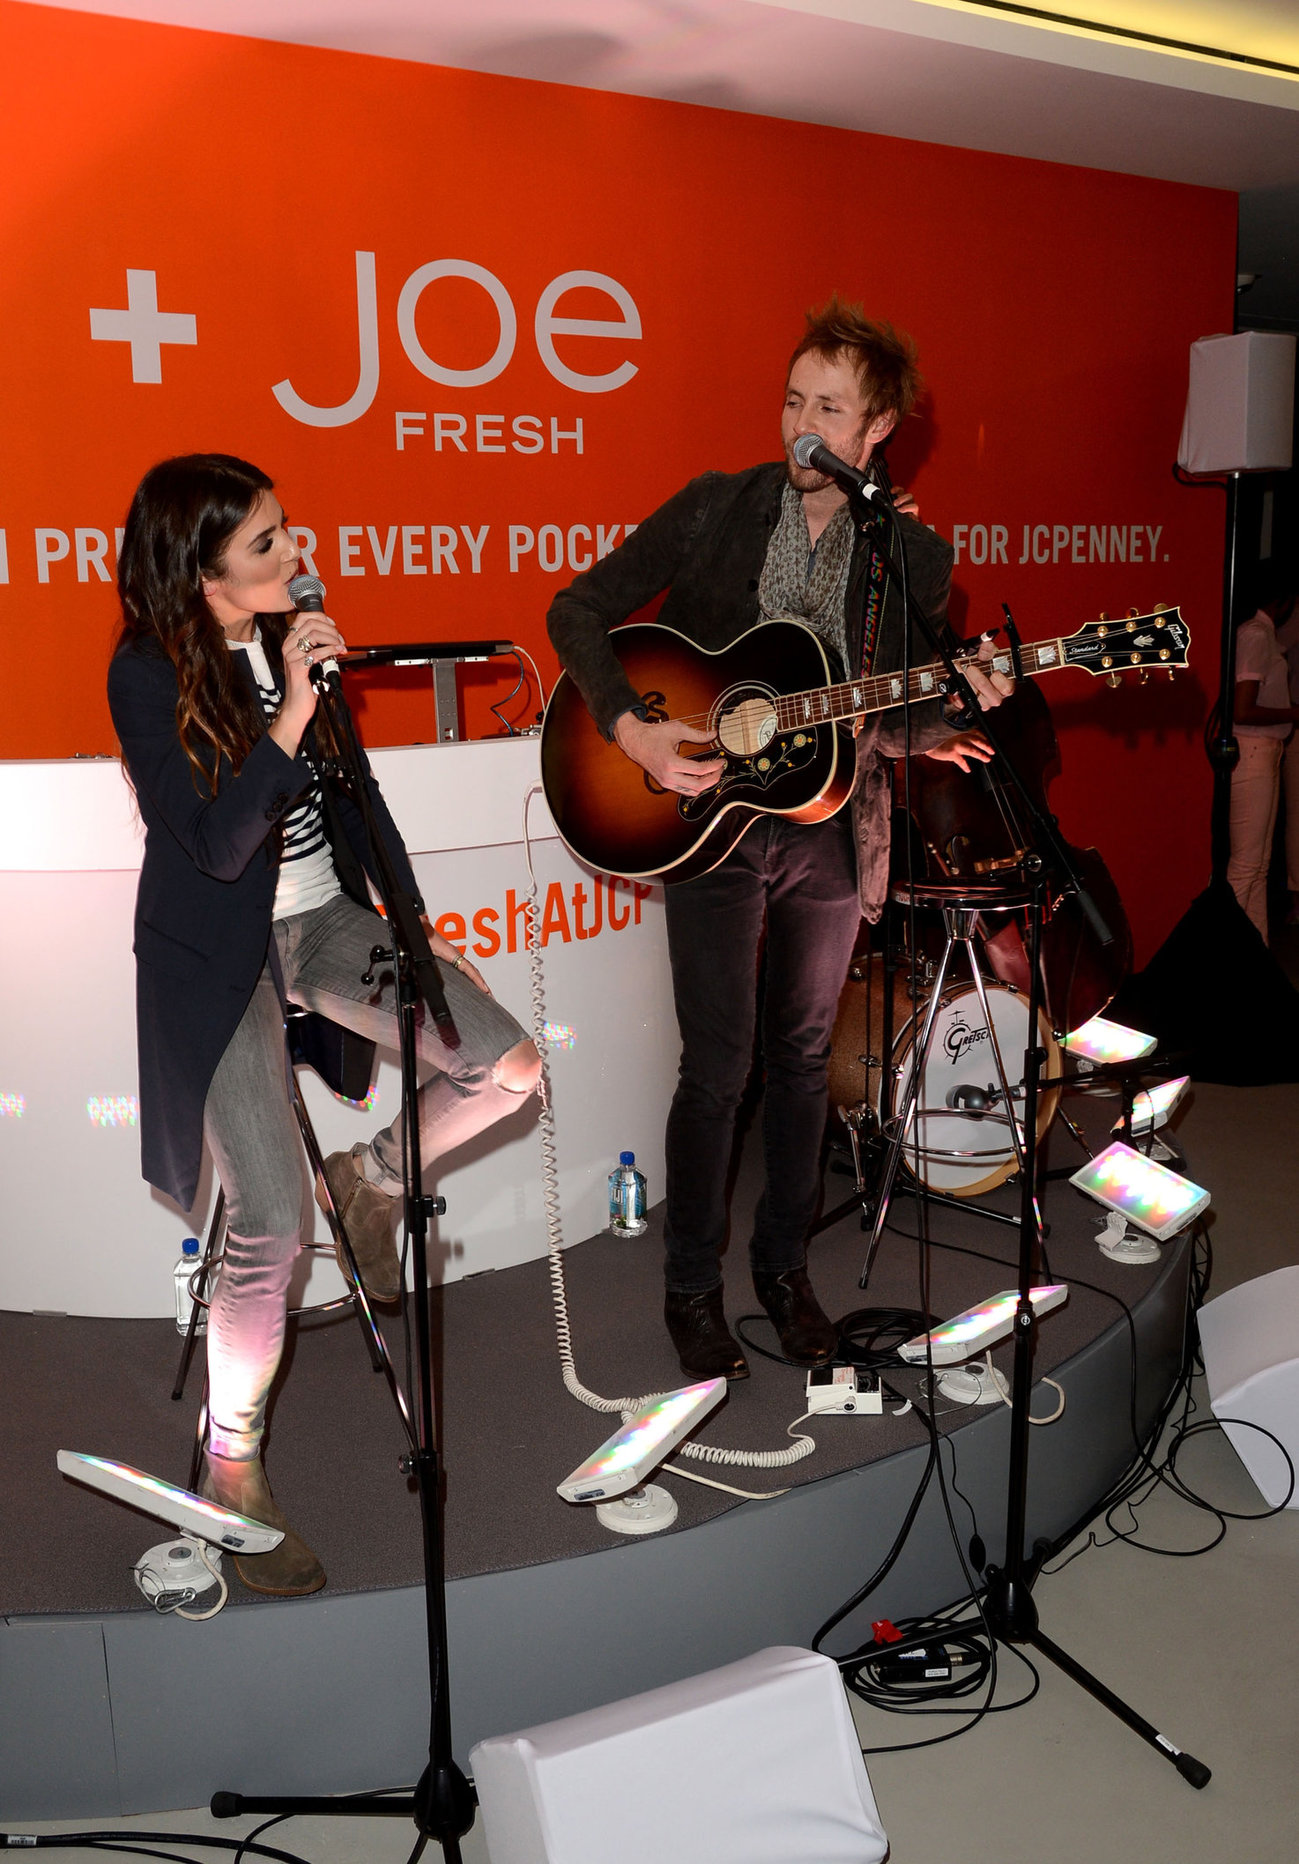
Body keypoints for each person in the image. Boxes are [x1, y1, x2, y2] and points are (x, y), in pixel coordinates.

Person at [547, 299, 1009, 1383]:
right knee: (718, 1067)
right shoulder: (718, 508)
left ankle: (785, 1271)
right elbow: (580, 608)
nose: (802, 425)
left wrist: (966, 704)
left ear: (876, 430)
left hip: (831, 835)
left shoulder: (913, 558)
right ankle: (690, 1288)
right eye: (794, 398)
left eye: (830, 408)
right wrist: (636, 728)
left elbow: (885, 720)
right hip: (705, 821)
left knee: (803, 1062)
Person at [108, 454, 541, 1597]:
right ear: (200, 575)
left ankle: (377, 1171)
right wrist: (289, 712)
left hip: (324, 924)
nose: (294, 552)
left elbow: (355, 806)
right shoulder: (146, 672)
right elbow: (211, 844)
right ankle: (231, 1460)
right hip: (218, 958)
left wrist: (415, 925)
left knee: (508, 1065)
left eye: (287, 529)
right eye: (265, 543)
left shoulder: (296, 632)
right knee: (269, 1221)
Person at [1229, 582, 1298, 942]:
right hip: (1252, 752)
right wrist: (1293, 712)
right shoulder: (1255, 635)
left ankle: (1255, 954)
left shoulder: (1264, 635)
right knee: (1245, 867)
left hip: (1265, 753)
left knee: (1258, 866)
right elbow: (1242, 709)